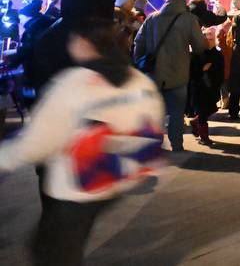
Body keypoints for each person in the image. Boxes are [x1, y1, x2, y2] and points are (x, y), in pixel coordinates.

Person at [0, 16, 164, 266]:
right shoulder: (138, 81)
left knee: (51, 252)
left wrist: (5, 158)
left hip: (73, 185)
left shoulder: (75, 83)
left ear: (86, 43)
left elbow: (39, 142)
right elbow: (151, 127)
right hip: (111, 182)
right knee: (67, 242)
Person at [132, 0, 205, 153]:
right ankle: (177, 145)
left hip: (153, 74)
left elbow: (139, 43)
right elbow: (200, 46)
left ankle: (153, 144)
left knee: (153, 111)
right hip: (178, 74)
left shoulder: (152, 18)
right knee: (176, 113)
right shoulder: (189, 20)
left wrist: (141, 63)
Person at [188, 27, 223, 147]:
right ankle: (204, 137)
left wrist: (211, 69)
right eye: (207, 38)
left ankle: (195, 121)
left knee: (212, 108)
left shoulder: (217, 54)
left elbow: (220, 70)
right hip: (200, 87)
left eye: (211, 38)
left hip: (212, 87)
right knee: (203, 112)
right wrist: (203, 69)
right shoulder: (197, 55)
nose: (209, 40)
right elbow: (192, 72)